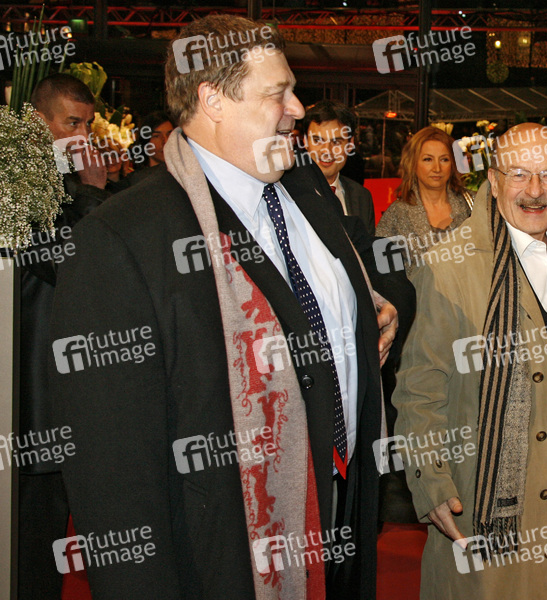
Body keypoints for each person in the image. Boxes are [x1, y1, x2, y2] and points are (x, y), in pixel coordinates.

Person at [48, 15, 412, 599]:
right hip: (224, 554)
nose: (297, 109)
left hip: (341, 513)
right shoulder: (124, 239)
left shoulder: (305, 189)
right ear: (212, 100)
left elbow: (333, 284)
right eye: (278, 93)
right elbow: (113, 475)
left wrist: (366, 308)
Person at [392, 123, 547, 599]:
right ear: (493, 181)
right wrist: (431, 481)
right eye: (518, 174)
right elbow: (418, 389)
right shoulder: (449, 267)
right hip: (490, 503)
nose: (534, 191)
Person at [14, 72, 111, 600]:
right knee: (31, 541)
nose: (82, 137)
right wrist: (94, 192)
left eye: (88, 125)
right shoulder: (19, 185)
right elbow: (71, 266)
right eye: (72, 123)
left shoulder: (62, 184)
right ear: (38, 123)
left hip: (61, 392)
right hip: (31, 399)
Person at [375, 126, 473, 275]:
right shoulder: (395, 215)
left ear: (453, 164)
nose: (437, 168)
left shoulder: (473, 204)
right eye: (428, 159)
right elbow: (384, 275)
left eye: (444, 159)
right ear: (413, 163)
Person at [299, 100, 377, 235]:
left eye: (336, 142)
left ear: (350, 144)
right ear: (305, 141)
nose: (327, 151)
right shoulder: (287, 193)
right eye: (318, 140)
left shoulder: (361, 197)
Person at [125, 111, 174, 187]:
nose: (165, 141)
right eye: (156, 136)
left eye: (169, 134)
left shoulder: (183, 176)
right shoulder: (135, 181)